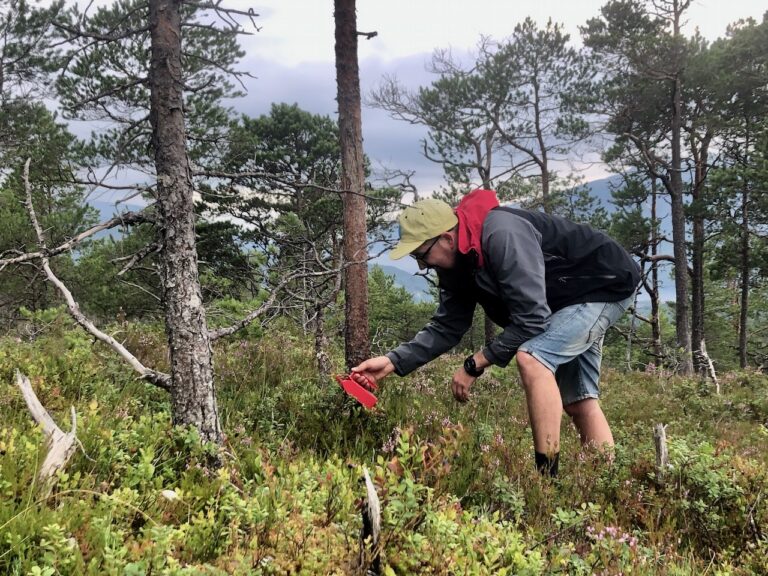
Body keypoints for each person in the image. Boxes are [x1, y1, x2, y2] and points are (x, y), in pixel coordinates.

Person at [351, 189, 640, 476]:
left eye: (422, 254)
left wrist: (476, 363)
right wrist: (391, 362)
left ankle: (545, 482)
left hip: (605, 284)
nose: (421, 264)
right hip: (567, 301)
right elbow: (447, 326)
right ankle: (607, 482)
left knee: (533, 357)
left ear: (447, 239)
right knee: (579, 400)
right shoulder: (458, 263)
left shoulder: (502, 234)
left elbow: (532, 320)